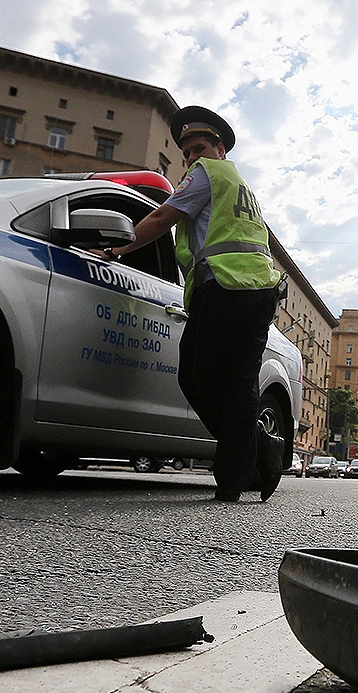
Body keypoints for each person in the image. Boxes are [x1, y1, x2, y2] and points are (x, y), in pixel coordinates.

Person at [98, 106, 285, 502]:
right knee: (239, 386)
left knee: (196, 376)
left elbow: (164, 215)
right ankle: (239, 473)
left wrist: (119, 247)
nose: (191, 159)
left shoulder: (207, 175)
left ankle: (255, 449)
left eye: (199, 148)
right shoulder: (242, 187)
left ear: (220, 149)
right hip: (261, 291)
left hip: (224, 286)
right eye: (186, 154)